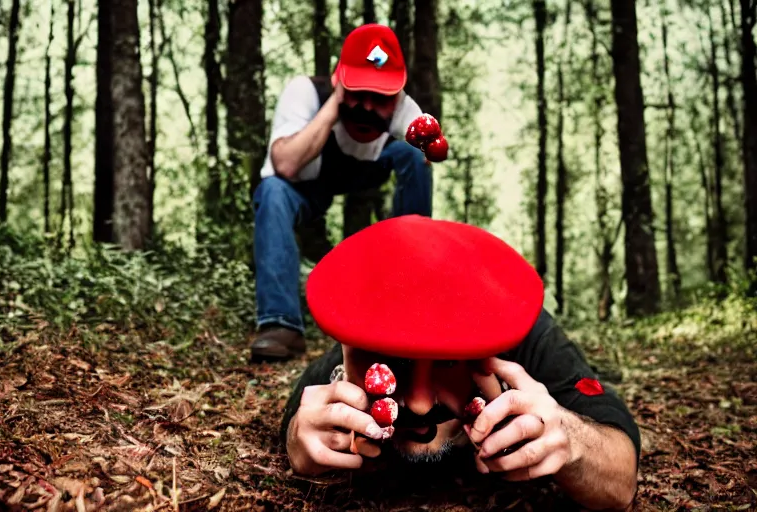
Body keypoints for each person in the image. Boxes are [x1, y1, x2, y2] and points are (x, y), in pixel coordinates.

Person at [279, 215, 640, 511]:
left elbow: (620, 477)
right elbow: (303, 412)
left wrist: (571, 437)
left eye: (448, 362)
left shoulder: (525, 335)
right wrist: (299, 437)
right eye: (398, 362)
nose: (420, 404)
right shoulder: (361, 343)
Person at [250, 23, 437, 362]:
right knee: (272, 191)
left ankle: (410, 294)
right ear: (339, 83)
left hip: (368, 172)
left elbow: (427, 152)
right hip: (308, 183)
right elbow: (286, 164)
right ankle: (281, 324)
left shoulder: (403, 113)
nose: (366, 108)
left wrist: (423, 142)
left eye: (380, 98)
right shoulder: (305, 92)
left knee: (412, 157)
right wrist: (335, 104)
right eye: (357, 94)